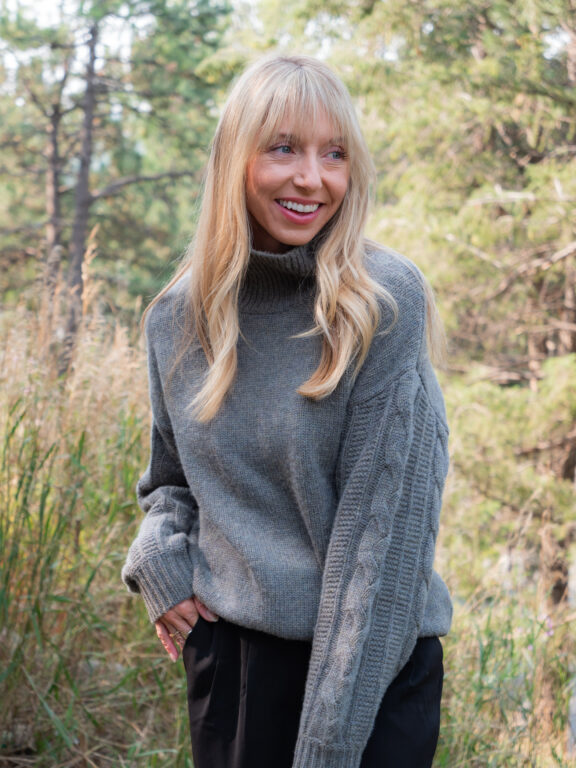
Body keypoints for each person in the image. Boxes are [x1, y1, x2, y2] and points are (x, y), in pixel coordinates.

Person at [122, 54, 452, 768]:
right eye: (284, 149)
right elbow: (171, 483)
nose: (313, 178)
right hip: (236, 669)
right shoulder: (177, 318)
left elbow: (385, 552)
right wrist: (158, 556)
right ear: (235, 159)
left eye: (334, 154)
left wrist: (328, 745)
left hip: (375, 664)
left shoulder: (382, 303)